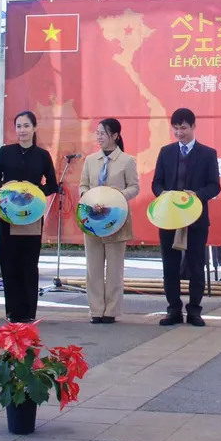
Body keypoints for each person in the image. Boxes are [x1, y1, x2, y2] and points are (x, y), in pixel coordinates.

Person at [151, 108, 221, 327]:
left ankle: (194, 311)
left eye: (183, 128)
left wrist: (196, 196)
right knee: (169, 266)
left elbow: (214, 186)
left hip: (196, 219)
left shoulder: (208, 154)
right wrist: (162, 193)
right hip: (169, 218)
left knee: (196, 265)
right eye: (176, 128)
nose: (179, 133)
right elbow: (156, 183)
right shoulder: (166, 152)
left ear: (193, 127)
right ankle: (173, 310)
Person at [0, 111, 58, 323]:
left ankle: (29, 312)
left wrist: (35, 192)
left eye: (26, 126)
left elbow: (53, 185)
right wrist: (7, 188)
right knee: (9, 264)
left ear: (34, 128)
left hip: (31, 217)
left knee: (29, 264)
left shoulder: (42, 155)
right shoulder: (5, 152)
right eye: (18, 126)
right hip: (8, 216)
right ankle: (12, 311)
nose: (22, 130)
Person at [78, 118, 139, 324]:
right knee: (93, 267)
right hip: (93, 219)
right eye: (97, 133)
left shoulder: (127, 160)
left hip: (116, 219)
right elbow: (83, 186)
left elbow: (134, 187)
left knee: (114, 268)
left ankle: (111, 311)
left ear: (115, 136)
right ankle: (96, 310)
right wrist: (88, 197)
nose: (99, 137)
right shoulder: (90, 160)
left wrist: (117, 196)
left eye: (103, 133)